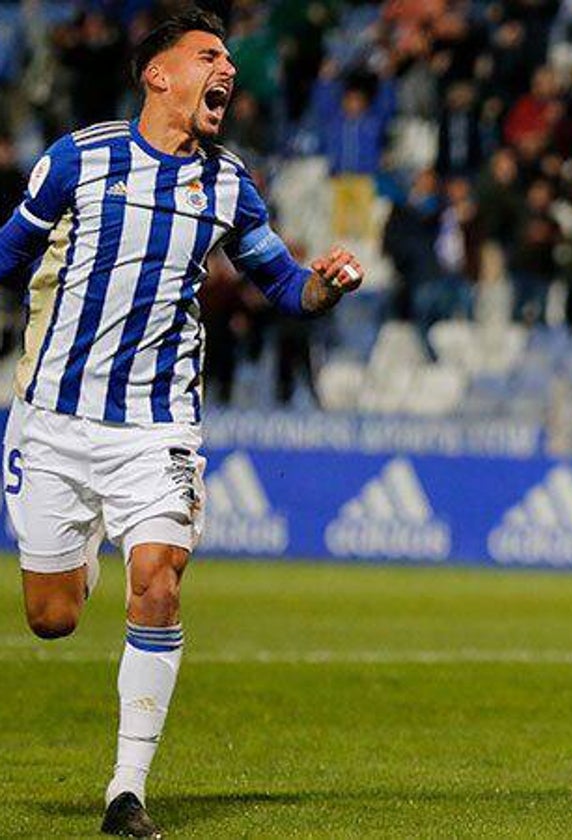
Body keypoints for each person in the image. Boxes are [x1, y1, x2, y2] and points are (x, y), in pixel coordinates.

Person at [0, 11, 364, 837]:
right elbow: (7, 257)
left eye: (229, 60)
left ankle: (125, 792)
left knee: (159, 582)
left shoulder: (229, 183)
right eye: (208, 56)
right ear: (157, 75)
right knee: (51, 619)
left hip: (156, 427)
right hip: (54, 418)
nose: (225, 70)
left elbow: (284, 287)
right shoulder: (78, 161)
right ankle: (83, 560)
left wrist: (326, 285)